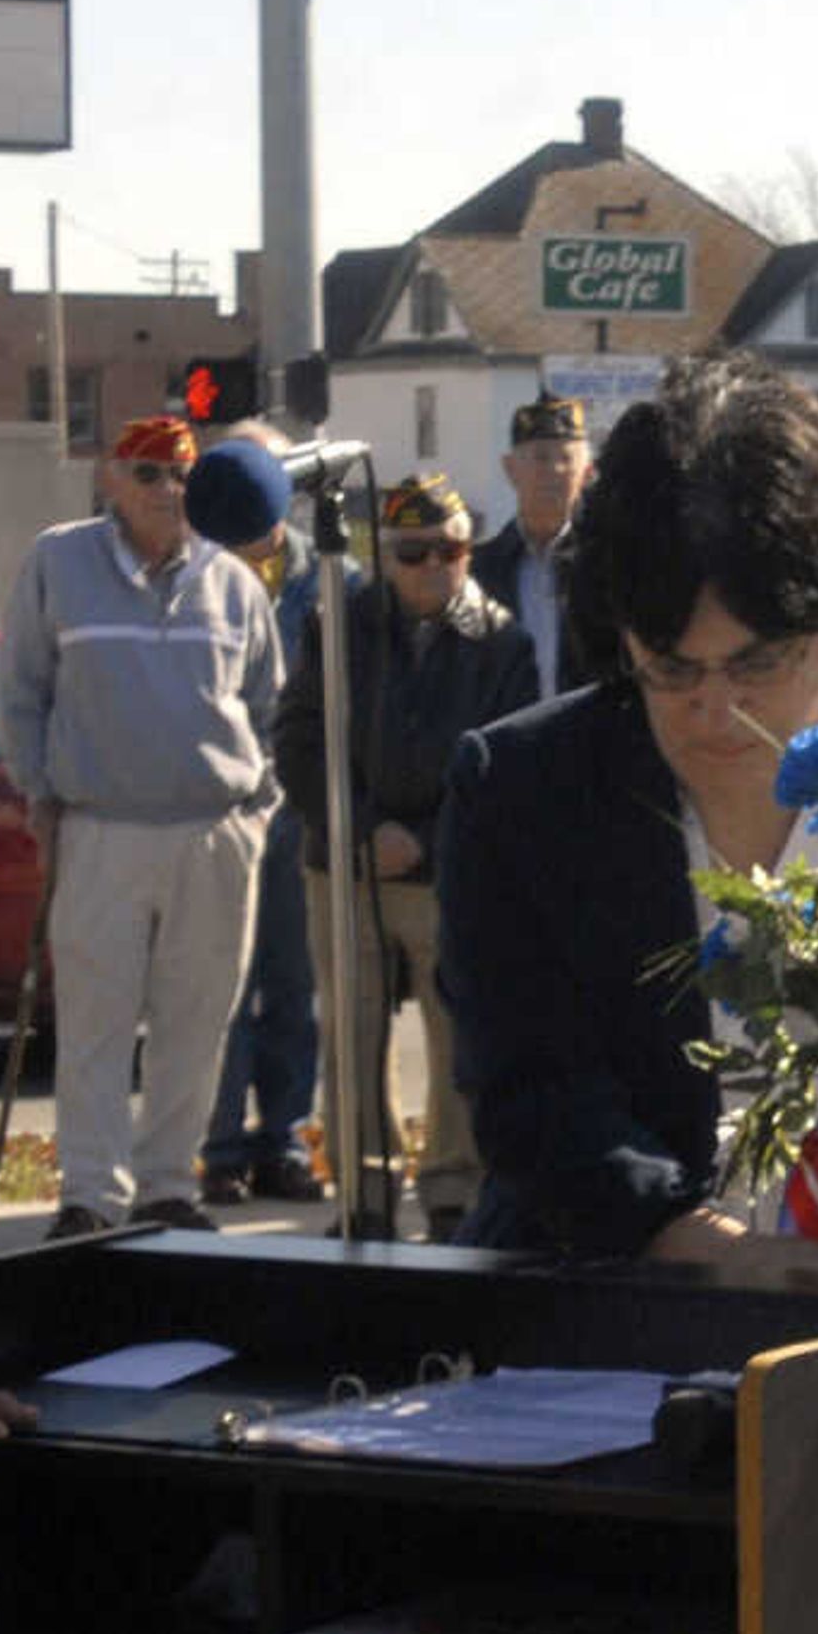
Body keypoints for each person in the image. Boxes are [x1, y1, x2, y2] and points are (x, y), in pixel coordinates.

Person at [437, 352, 818, 1264]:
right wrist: (699, 1240)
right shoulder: (521, 793)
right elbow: (528, 1094)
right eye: (670, 667)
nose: (716, 710)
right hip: (598, 1303)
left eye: (757, 663)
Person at [0, 412, 284, 1233]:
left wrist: (257, 811)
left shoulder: (232, 579)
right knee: (95, 1022)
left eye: (185, 473)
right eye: (151, 473)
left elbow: (269, 704)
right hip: (100, 827)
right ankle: (90, 1194)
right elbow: (21, 691)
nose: (171, 490)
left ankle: (167, 1187)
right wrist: (40, 795)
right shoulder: (59, 560)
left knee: (195, 1022)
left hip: (215, 832)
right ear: (112, 479)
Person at [275, 469, 538, 1239]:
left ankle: (453, 1186)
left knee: (458, 1033)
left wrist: (423, 840)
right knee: (351, 1033)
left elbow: (505, 763)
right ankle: (366, 1190)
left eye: (449, 549)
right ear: (385, 556)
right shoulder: (339, 624)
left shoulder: (504, 640)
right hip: (345, 866)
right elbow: (297, 740)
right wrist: (361, 829)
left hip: (450, 871)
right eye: (414, 551)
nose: (433, 566)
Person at [202, 474, 334, 1207]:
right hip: (225, 807)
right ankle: (219, 1149)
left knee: (295, 987)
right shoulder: (202, 569)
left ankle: (284, 1140)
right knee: (224, 989)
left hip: (303, 812)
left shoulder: (330, 576)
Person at [470, 393, 590, 696]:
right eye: (540, 457)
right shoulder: (479, 570)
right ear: (510, 469)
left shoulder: (605, 563)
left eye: (566, 459)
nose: (555, 471)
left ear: (587, 473)